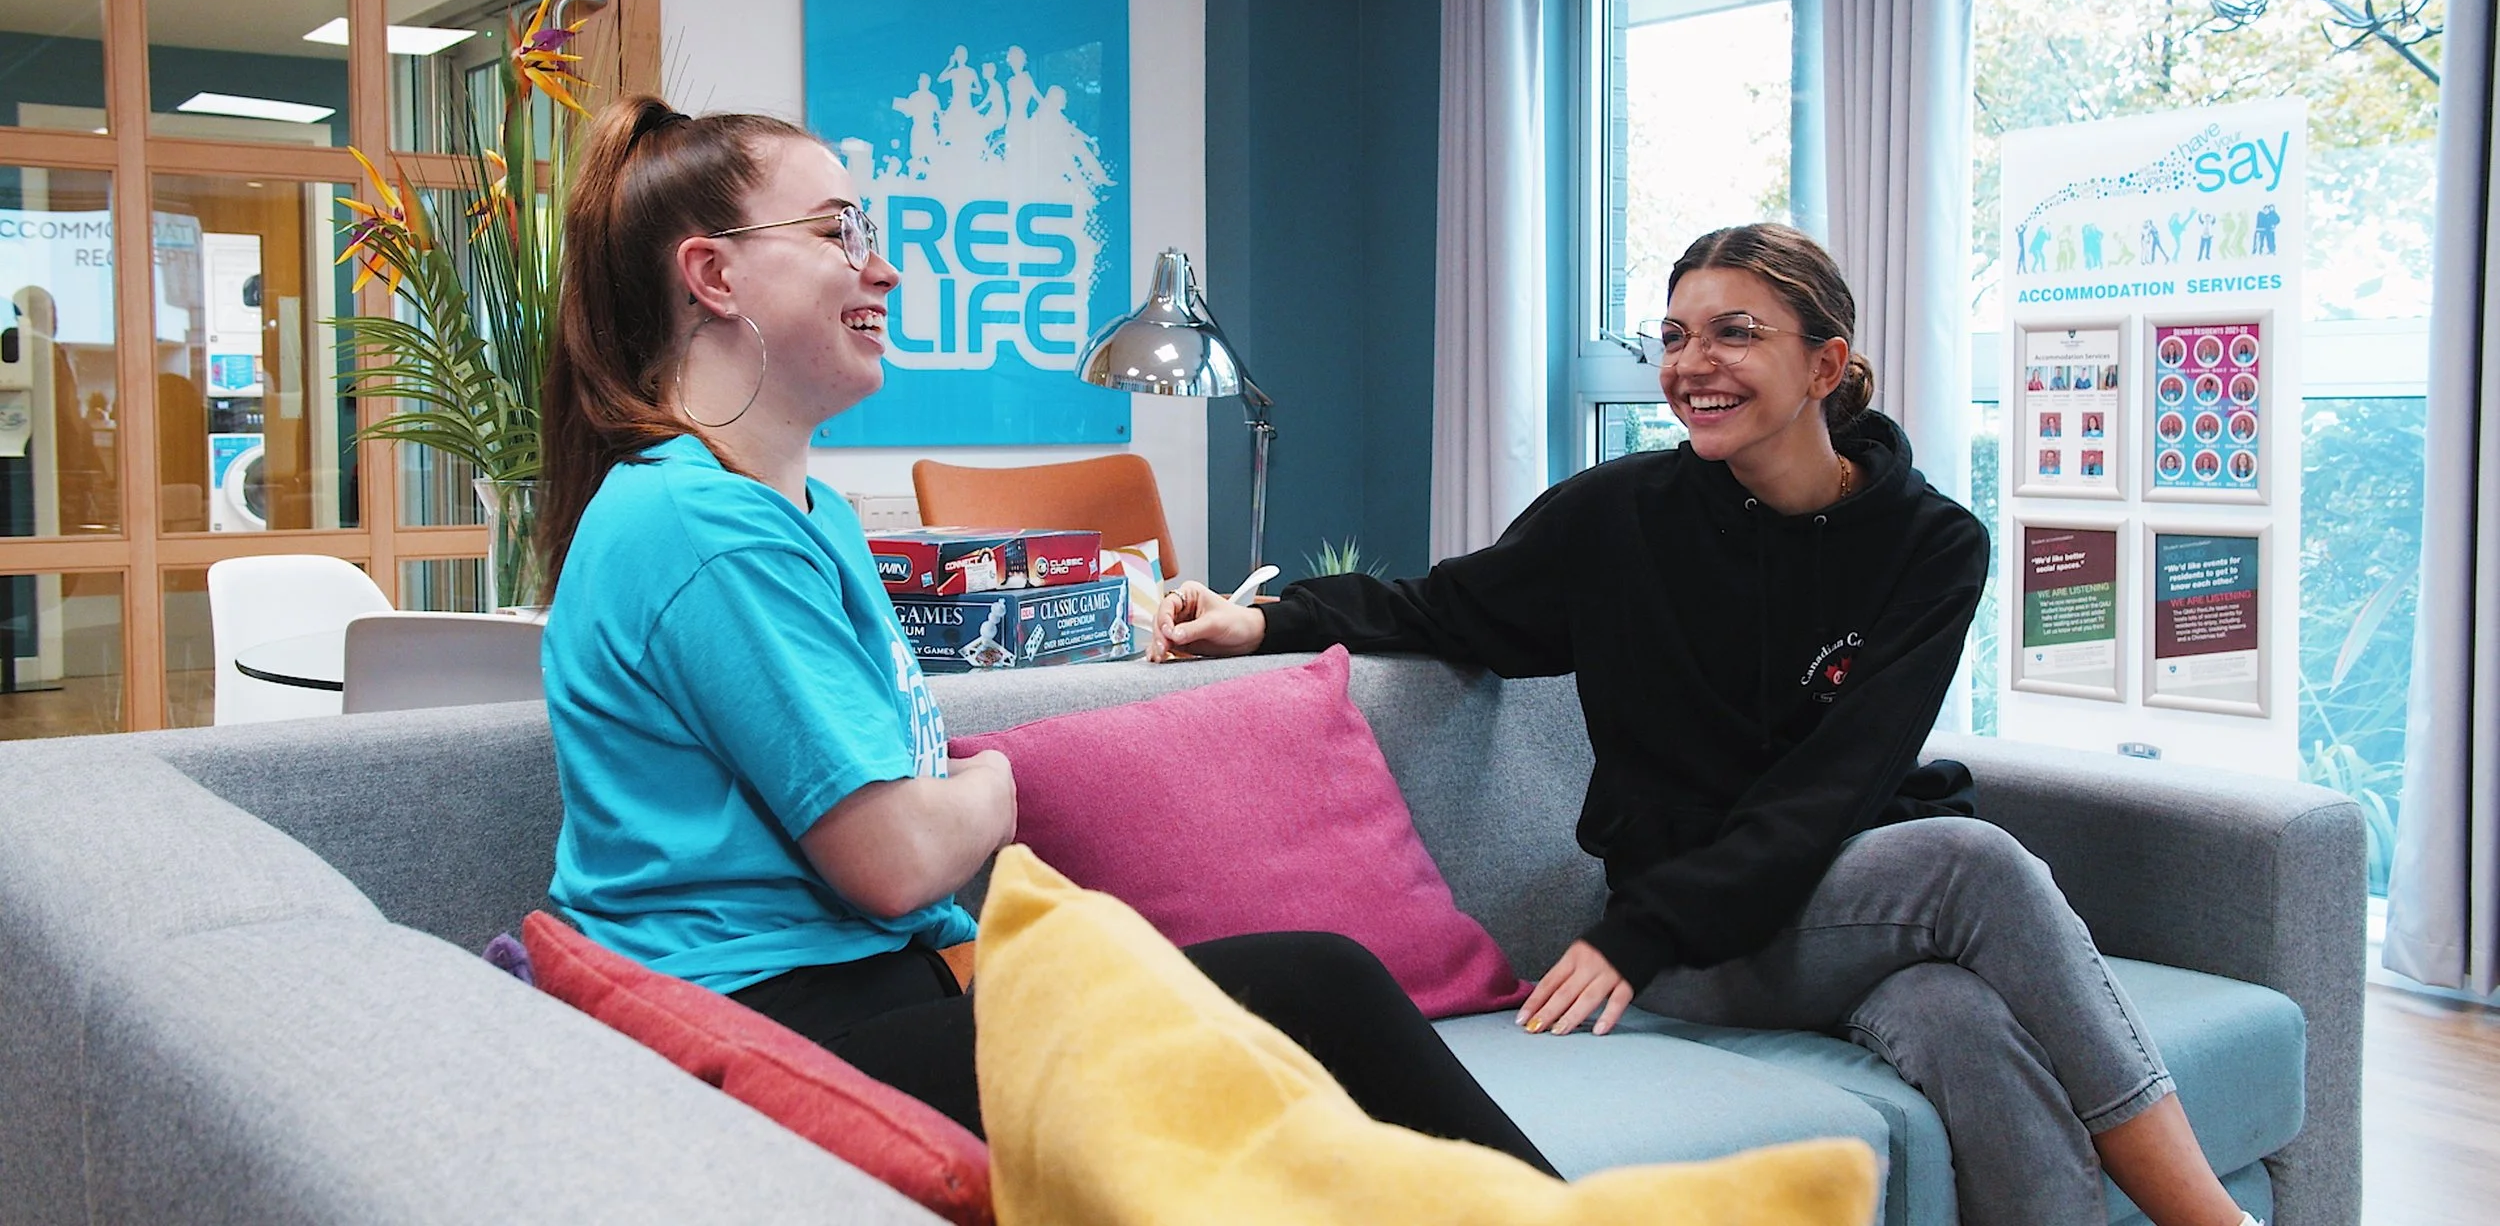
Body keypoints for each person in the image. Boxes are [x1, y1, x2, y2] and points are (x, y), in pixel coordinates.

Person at [1157, 223, 2258, 1226]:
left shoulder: (1931, 544)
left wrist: (1642, 930)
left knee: (1955, 1014)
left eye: (1736, 332)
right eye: (1675, 337)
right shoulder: (1620, 513)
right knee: (1973, 864)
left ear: (1825, 364)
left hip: (1824, 900)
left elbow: (1835, 784)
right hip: (1696, 939)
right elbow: (1446, 607)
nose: (1692, 365)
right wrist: (1262, 617)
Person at [532, 95, 1556, 1173]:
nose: (881, 271)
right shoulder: (699, 522)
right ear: (713, 274)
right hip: (782, 1034)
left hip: (870, 993)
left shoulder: (808, 513)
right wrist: (1000, 787)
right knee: (1318, 987)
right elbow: (895, 856)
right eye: (840, 232)